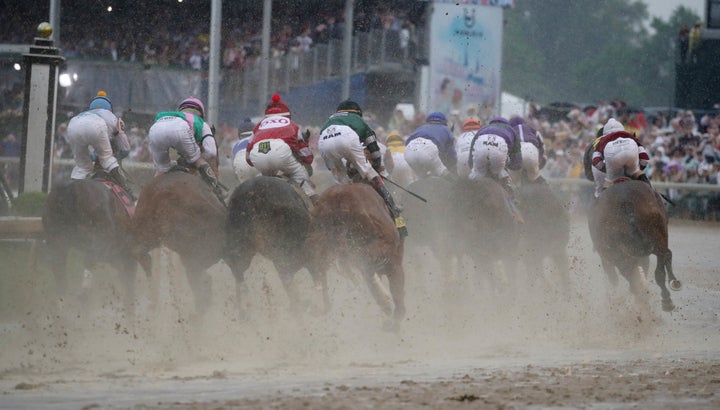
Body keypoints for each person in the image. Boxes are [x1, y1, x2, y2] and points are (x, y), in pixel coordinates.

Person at [318, 100, 407, 237]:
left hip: (324, 142)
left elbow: (332, 167)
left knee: (341, 182)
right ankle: (393, 208)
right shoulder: (358, 121)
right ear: (358, 113)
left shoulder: (330, 120)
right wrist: (375, 166)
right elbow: (374, 148)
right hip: (348, 142)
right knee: (370, 172)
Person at [147, 97, 225, 201]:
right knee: (198, 160)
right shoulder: (201, 122)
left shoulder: (172, 116)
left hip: (155, 129)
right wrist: (197, 157)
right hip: (180, 130)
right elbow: (211, 152)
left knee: (161, 169)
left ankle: (149, 197)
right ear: (201, 114)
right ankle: (217, 191)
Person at [245, 94, 317, 202]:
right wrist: (308, 159)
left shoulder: (258, 126)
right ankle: (313, 200)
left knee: (262, 177)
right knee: (299, 173)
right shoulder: (292, 124)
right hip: (280, 151)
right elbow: (305, 153)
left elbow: (248, 157)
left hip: (258, 152)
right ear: (287, 114)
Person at [65, 91, 135, 200]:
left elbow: (89, 146)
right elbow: (125, 149)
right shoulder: (111, 116)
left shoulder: (85, 114)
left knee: (82, 167)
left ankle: (69, 196)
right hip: (95, 126)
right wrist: (117, 156)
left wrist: (93, 157)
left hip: (73, 125)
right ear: (109, 108)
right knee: (107, 159)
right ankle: (127, 190)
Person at [468, 116, 523, 222]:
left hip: (481, 146)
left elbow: (470, 162)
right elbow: (517, 164)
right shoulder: (511, 130)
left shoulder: (483, 129)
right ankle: (514, 210)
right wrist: (506, 164)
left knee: (474, 178)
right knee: (502, 180)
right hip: (499, 151)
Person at [592, 118, 650, 191]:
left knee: (608, 182)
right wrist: (637, 170)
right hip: (630, 148)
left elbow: (596, 162)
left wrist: (607, 170)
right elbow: (645, 159)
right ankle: (653, 193)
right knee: (637, 172)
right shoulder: (630, 136)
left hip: (612, 157)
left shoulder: (601, 140)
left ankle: (603, 200)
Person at [404, 111, 457, 180]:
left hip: (409, 151)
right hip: (428, 148)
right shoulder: (446, 129)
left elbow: (407, 143)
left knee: (422, 179)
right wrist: (453, 168)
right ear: (444, 122)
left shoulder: (420, 128)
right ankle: (458, 188)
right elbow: (451, 155)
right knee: (444, 174)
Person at [509, 117, 547, 184]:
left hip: (517, 154)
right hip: (531, 150)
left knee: (513, 183)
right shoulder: (533, 130)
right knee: (536, 177)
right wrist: (537, 165)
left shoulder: (509, 132)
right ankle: (548, 190)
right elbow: (542, 149)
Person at [232, 118, 260, 183]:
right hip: (256, 162)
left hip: (241, 165)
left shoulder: (236, 145)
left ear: (240, 135)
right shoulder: (259, 139)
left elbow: (234, 165)